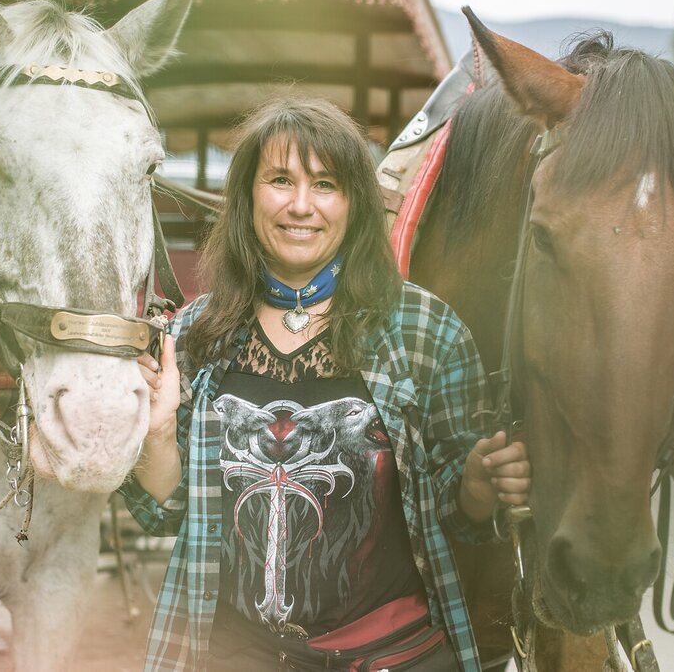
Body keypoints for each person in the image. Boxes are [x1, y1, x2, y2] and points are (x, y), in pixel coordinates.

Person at [119, 97, 530, 671]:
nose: (301, 205)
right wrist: (159, 432)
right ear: (248, 197)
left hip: (390, 655)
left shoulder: (426, 330)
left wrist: (479, 487)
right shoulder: (194, 332)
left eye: (326, 185)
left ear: (355, 203)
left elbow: (457, 520)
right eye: (280, 180)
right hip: (236, 655)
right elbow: (170, 511)